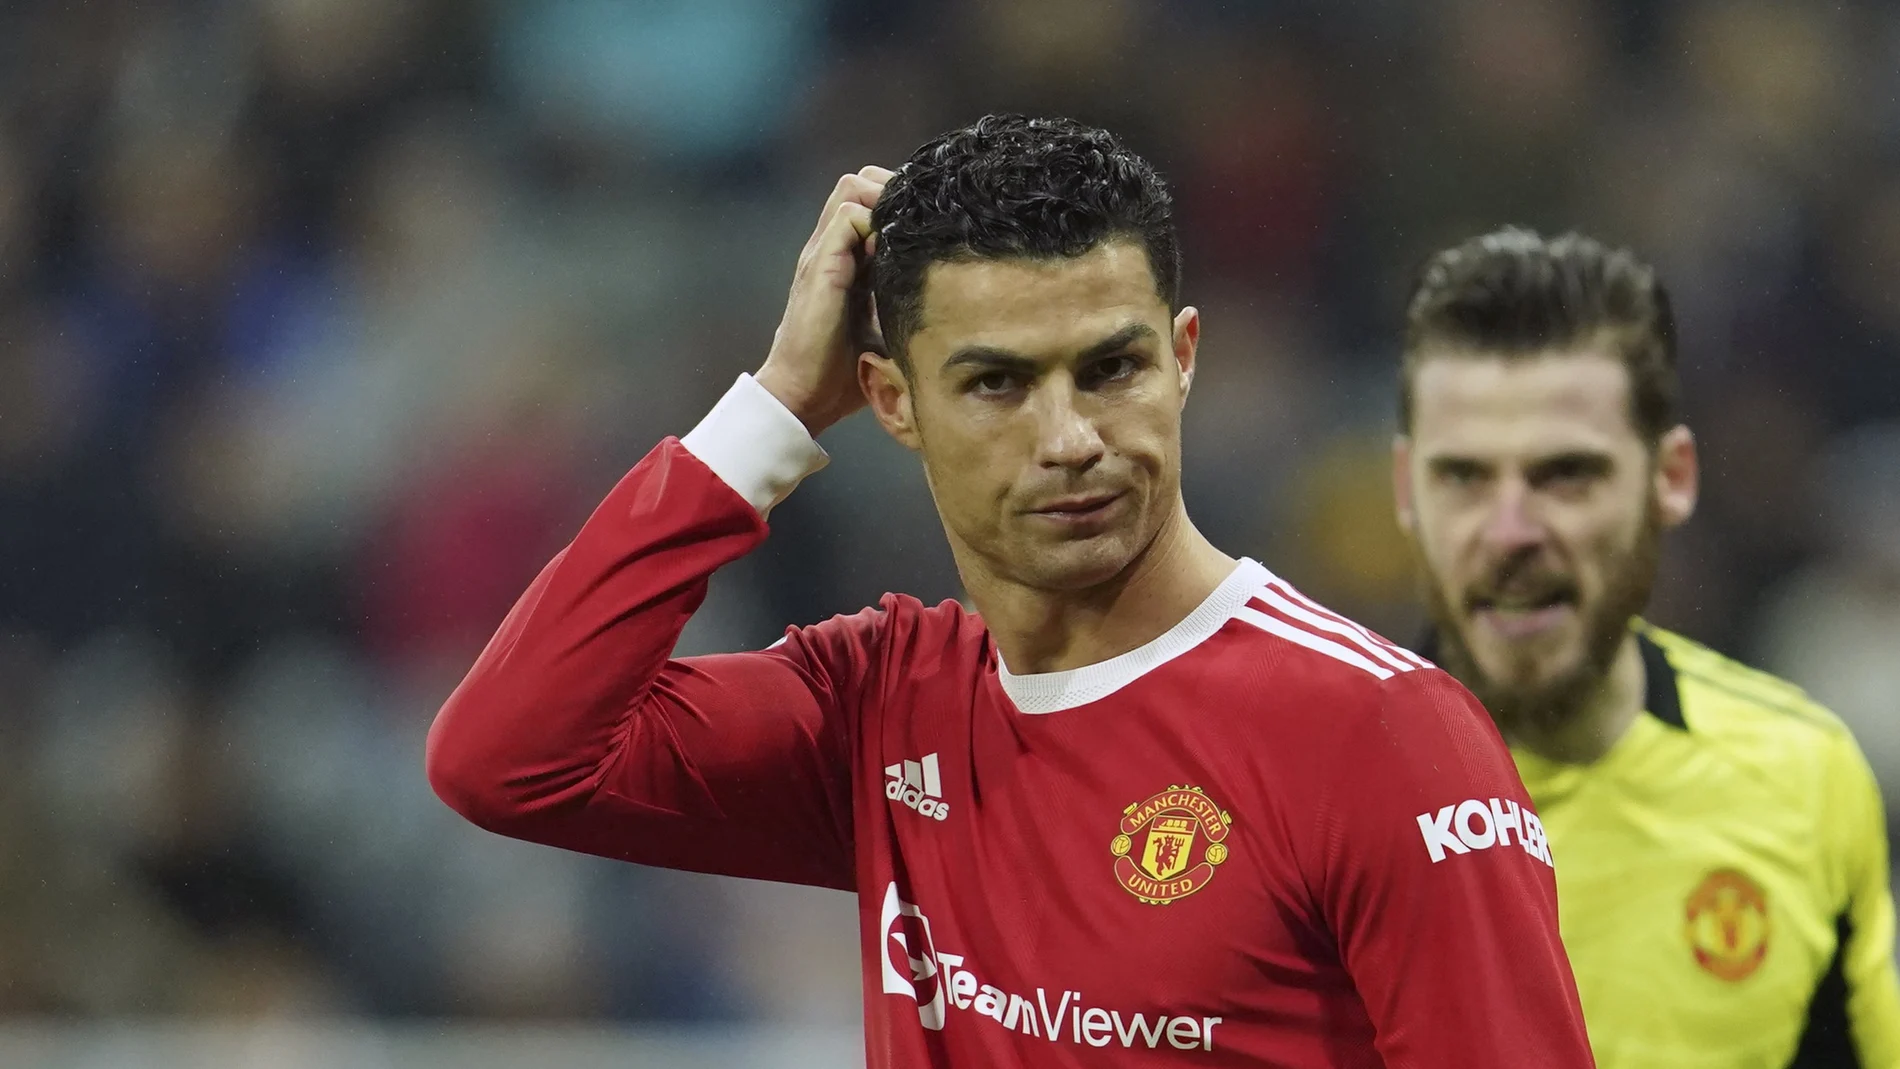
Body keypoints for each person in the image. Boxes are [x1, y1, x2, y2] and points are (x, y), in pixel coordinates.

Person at [428, 115, 1594, 1068]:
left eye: (1112, 366)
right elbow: (508, 758)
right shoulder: (881, 709)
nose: (1070, 436)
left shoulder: (1377, 732)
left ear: (1183, 356)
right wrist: (771, 410)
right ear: (888, 401)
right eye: (995, 384)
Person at [1391, 226, 1900, 1068]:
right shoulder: (1286, 794)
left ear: (1671, 477)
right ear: (1407, 488)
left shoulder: (1804, 775)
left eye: (1567, 474)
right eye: (1466, 476)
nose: (1511, 530)